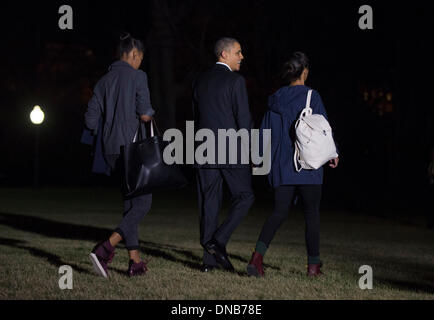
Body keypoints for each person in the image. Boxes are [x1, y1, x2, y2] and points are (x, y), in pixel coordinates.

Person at [247, 52, 339, 277]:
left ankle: (256, 259)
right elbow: (323, 128)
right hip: (309, 165)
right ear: (305, 72)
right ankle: (313, 267)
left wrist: (257, 159)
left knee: (278, 212)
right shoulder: (312, 96)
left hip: (282, 166)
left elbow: (264, 134)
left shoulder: (275, 99)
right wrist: (333, 152)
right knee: (311, 214)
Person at [84, 33, 155, 278]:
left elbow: (90, 120)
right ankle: (106, 248)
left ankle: (135, 263)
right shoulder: (138, 76)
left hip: (111, 150)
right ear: (134, 54)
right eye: (140, 59)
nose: (140, 64)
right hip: (133, 149)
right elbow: (145, 113)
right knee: (144, 203)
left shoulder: (103, 81)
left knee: (130, 204)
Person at [192, 37, 255, 272]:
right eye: (238, 52)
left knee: (209, 202)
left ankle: (208, 262)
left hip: (203, 149)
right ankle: (217, 241)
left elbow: (196, 117)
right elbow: (244, 120)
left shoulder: (200, 80)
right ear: (224, 54)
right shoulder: (235, 81)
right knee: (246, 196)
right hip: (231, 149)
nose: (242, 57)